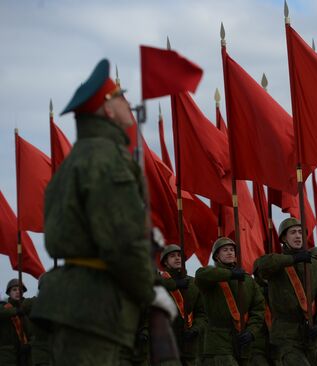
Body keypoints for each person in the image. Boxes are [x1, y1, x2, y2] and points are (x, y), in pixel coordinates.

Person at [30, 59, 177, 365]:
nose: (127, 101)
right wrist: (150, 292)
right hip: (98, 309)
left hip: (79, 306)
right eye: (120, 95)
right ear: (108, 110)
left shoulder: (77, 160)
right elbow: (121, 241)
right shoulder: (108, 159)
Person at [255, 218, 317, 365]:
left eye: (301, 232)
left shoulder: (314, 265)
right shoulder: (277, 263)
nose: (298, 236)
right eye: (293, 232)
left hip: (309, 333)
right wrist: (292, 259)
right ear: (284, 238)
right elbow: (262, 267)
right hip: (285, 334)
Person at [195, 237, 264, 365]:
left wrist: (251, 332)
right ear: (217, 256)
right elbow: (201, 275)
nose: (229, 252)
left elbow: (258, 310)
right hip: (217, 343)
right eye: (225, 250)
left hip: (242, 341)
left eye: (232, 250)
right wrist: (231, 275)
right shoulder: (211, 277)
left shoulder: (248, 280)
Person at [158, 244, 207, 366]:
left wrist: (195, 330)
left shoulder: (193, 283)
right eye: (172, 256)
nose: (177, 258)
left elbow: (202, 314)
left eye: (180, 255)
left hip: (189, 345)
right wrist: (174, 284)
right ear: (165, 262)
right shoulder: (159, 281)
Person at [0, 279, 31, 365]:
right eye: (14, 290)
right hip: (7, 357)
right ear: (9, 293)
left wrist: (28, 345)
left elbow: (33, 334)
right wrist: (16, 311)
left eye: (20, 290)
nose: (18, 292)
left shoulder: (28, 310)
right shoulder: (4, 308)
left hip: (26, 356)